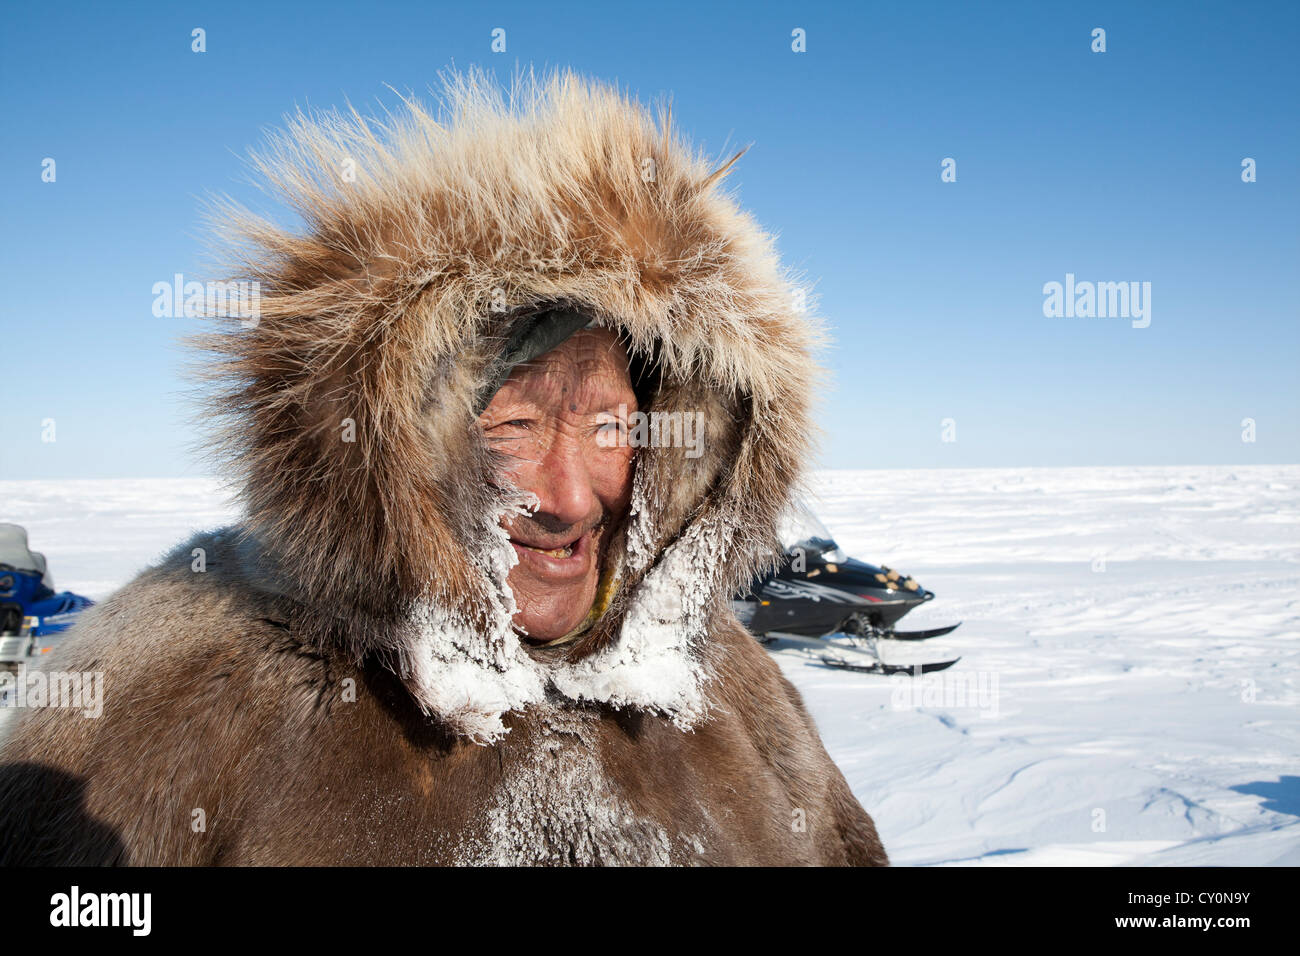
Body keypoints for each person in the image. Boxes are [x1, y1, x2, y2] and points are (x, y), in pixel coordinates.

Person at [0, 67, 887, 865]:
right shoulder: (177, 690)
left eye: (612, 427)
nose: (571, 498)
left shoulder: (732, 686)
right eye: (516, 422)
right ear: (402, 450)